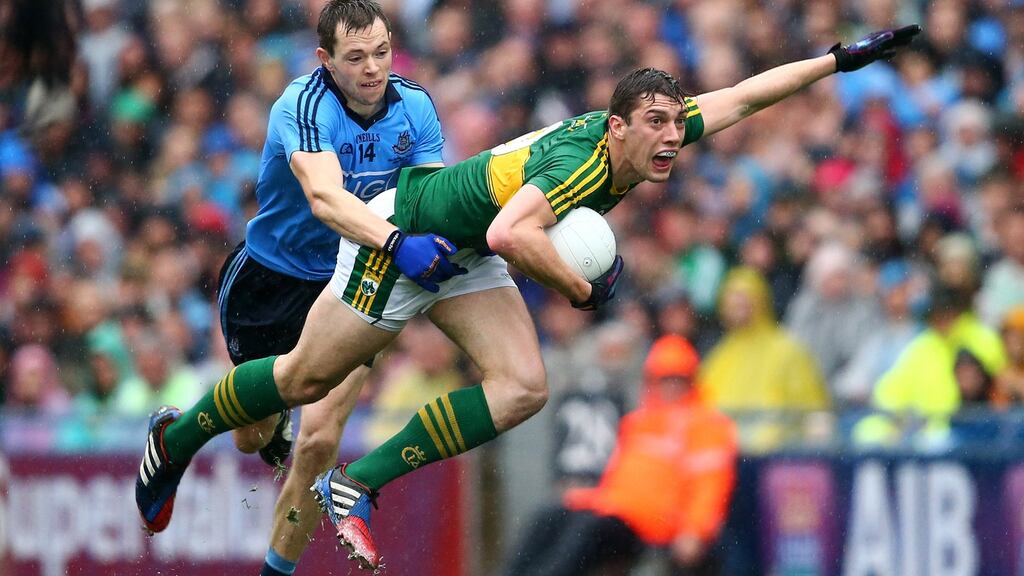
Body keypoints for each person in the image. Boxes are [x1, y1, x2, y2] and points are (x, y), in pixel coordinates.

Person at [135, 25, 921, 571]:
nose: (671, 138)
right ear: (616, 127)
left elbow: (742, 97)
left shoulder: (647, 139)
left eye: (673, 123)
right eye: (654, 125)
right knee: (303, 378)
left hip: (466, 251)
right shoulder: (584, 165)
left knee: (522, 388)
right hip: (406, 236)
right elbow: (512, 232)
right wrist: (582, 288)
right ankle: (176, 438)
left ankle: (358, 483)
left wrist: (835, 61)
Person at [155, 2, 453, 575]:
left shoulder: (415, 106)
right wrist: (399, 243)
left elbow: (429, 195)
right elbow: (324, 198)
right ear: (326, 60)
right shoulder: (304, 104)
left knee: (318, 443)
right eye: (356, 57)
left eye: (382, 52)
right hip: (273, 278)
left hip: (353, 281)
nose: (373, 68)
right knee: (252, 438)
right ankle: (176, 433)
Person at [502, 335, 737, 576]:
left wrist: (695, 531)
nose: (671, 386)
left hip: (652, 525)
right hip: (615, 509)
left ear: (692, 380)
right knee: (549, 517)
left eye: (679, 378)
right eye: (664, 378)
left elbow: (711, 485)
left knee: (584, 533)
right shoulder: (639, 421)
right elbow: (618, 476)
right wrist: (584, 497)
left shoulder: (708, 425)